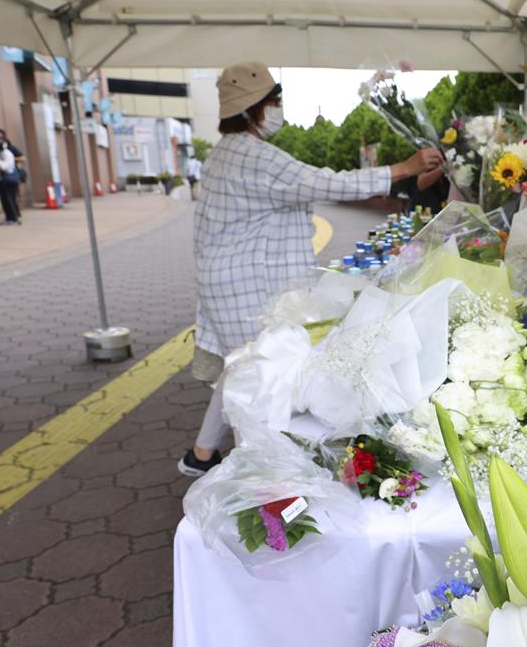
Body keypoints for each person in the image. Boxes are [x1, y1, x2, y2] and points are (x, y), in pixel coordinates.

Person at [179, 61, 443, 477]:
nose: (278, 109)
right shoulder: (252, 155)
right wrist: (403, 169)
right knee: (262, 378)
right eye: (273, 102)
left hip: (229, 277)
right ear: (251, 110)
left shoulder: (228, 153)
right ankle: (263, 480)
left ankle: (202, 453)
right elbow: (324, 182)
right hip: (245, 282)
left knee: (244, 365)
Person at [0, 136, 20, 225]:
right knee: (5, 200)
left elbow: (5, 167)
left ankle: (14, 218)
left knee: (9, 199)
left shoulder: (6, 154)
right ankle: (9, 218)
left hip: (9, 180)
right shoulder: (3, 153)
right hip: (5, 180)